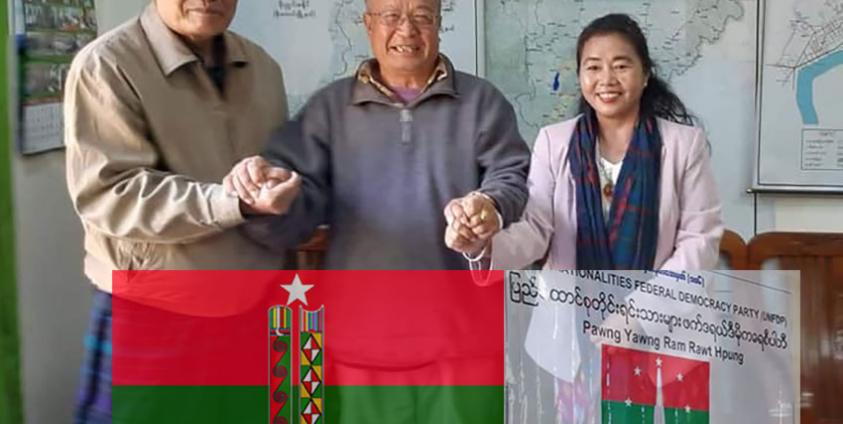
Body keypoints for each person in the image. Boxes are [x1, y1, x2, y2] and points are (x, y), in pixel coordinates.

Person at [64, 1, 293, 422]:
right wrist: (233, 202)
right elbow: (110, 193)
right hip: (155, 310)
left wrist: (283, 183)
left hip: (253, 307)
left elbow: (277, 171)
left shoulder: (263, 67)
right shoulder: (107, 65)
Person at [226, 0, 530, 270]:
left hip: (459, 311)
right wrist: (263, 201)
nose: (406, 30)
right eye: (390, 16)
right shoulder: (329, 108)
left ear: (439, 24)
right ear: (368, 24)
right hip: (357, 309)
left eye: (422, 16)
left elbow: (512, 174)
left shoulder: (482, 101)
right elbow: (295, 202)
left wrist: (490, 204)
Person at [447, 13, 724, 271]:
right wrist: (483, 245)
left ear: (646, 74)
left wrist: (634, 317)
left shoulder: (684, 145)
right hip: (570, 316)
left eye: (621, 66)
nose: (606, 79)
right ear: (580, 76)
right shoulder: (554, 141)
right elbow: (536, 230)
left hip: (657, 319)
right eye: (593, 67)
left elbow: (698, 244)